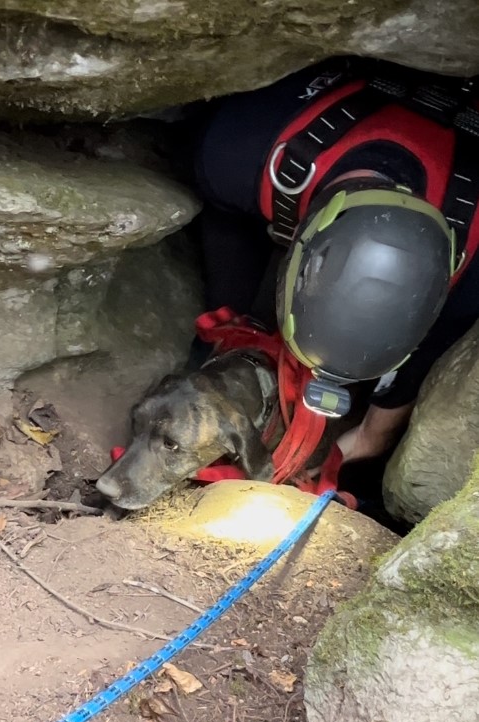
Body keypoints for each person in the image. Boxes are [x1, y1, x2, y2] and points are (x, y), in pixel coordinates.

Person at [191, 55, 479, 466]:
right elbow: (225, 218)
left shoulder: (468, 278)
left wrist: (366, 439)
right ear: (297, 248)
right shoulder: (237, 149)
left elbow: (432, 350)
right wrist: (234, 322)